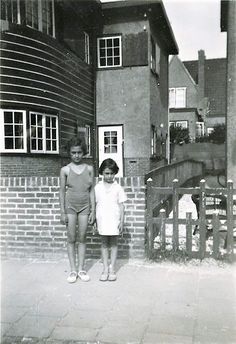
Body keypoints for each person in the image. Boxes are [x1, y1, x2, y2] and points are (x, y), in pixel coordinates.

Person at [59, 136, 95, 283]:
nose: (76, 155)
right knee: (71, 238)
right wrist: (62, 211)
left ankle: (81, 269)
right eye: (73, 152)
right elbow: (61, 191)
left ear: (83, 152)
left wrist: (93, 210)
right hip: (70, 207)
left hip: (85, 206)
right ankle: (73, 270)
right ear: (69, 153)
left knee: (82, 237)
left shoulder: (90, 169)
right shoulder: (65, 170)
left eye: (79, 152)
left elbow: (92, 190)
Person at [95, 158, 127, 282]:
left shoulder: (118, 188)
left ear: (115, 173)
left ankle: (112, 268)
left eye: (112, 173)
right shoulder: (97, 187)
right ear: (102, 173)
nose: (109, 176)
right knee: (104, 244)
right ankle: (104, 269)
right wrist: (95, 221)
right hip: (102, 219)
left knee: (113, 243)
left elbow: (122, 205)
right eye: (107, 173)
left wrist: (122, 221)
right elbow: (95, 204)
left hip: (114, 219)